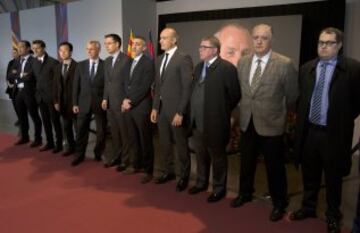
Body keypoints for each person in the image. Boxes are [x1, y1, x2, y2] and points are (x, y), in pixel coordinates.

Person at [291, 27, 360, 233]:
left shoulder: (353, 69)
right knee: (309, 172)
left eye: (329, 43)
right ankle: (308, 207)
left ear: (339, 45)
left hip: (334, 134)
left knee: (333, 176)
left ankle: (332, 214)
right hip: (310, 131)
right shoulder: (306, 68)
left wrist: (342, 119)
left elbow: (357, 102)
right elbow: (301, 99)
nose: (323, 46)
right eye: (321, 42)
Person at [231, 24, 298, 222]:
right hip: (247, 122)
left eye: (264, 38)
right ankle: (244, 193)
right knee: (246, 162)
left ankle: (279, 202)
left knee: (274, 167)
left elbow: (292, 95)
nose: (259, 41)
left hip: (272, 124)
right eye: (256, 37)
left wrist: (280, 115)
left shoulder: (285, 64)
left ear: (271, 40)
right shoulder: (243, 62)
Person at [189, 36, 241, 202]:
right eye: (200, 46)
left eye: (204, 47)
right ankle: (201, 182)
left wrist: (221, 111)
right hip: (197, 122)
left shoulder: (227, 68)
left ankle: (219, 188)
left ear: (215, 50)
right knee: (200, 155)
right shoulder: (198, 68)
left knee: (217, 158)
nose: (200, 49)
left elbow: (235, 95)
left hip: (216, 123)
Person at [150, 27, 193, 192]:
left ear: (174, 40)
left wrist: (181, 111)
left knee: (181, 145)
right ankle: (168, 171)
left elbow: (187, 87)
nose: (160, 41)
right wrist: (154, 108)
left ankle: (184, 176)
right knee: (165, 143)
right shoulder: (159, 59)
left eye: (164, 38)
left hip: (176, 112)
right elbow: (158, 88)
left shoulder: (183, 58)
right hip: (161, 111)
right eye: (160, 38)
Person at [120, 36, 155, 183]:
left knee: (145, 139)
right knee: (133, 137)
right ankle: (136, 164)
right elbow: (124, 83)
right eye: (133, 44)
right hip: (128, 106)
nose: (134, 47)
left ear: (144, 48)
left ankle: (148, 170)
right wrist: (124, 100)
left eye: (138, 44)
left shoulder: (148, 63)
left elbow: (145, 86)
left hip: (141, 106)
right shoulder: (128, 62)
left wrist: (131, 101)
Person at [71, 40, 107, 166]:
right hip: (83, 103)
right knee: (81, 131)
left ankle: (98, 153)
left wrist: (105, 99)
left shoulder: (105, 65)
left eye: (92, 49)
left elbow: (107, 85)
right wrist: (75, 103)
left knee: (102, 132)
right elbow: (76, 86)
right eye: (87, 49)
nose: (89, 51)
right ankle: (79, 155)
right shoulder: (80, 65)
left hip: (100, 104)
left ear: (98, 50)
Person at [102, 33, 132, 168]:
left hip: (121, 104)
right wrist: (104, 98)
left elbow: (128, 84)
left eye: (109, 43)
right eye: (105, 43)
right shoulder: (107, 61)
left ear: (117, 44)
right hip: (110, 104)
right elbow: (107, 83)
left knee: (124, 134)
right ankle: (117, 157)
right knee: (114, 133)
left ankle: (126, 160)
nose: (106, 46)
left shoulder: (127, 60)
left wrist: (126, 101)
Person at [9, 40, 43, 147]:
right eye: (18, 47)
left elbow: (30, 77)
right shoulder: (17, 60)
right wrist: (21, 74)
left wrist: (18, 74)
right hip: (18, 92)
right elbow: (10, 75)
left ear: (28, 48)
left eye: (22, 47)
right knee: (21, 116)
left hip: (30, 93)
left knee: (34, 116)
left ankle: (38, 139)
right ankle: (24, 137)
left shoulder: (34, 61)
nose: (19, 49)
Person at [32, 40, 62, 153]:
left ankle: (59, 144)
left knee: (55, 121)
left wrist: (56, 99)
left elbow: (58, 83)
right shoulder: (34, 62)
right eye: (33, 48)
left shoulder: (53, 62)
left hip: (51, 98)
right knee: (45, 121)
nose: (35, 50)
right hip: (40, 97)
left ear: (44, 48)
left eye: (37, 48)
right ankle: (49, 143)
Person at [53, 42, 78, 156]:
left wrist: (77, 103)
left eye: (65, 50)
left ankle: (80, 150)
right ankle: (71, 147)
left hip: (75, 103)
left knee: (79, 128)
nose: (62, 53)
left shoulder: (78, 66)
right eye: (60, 51)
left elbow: (81, 87)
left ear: (71, 52)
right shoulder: (57, 67)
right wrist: (56, 101)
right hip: (62, 103)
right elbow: (56, 86)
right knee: (66, 127)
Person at [5, 48, 20, 126]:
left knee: (20, 105)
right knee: (14, 104)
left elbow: (21, 76)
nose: (13, 54)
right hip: (11, 88)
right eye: (12, 53)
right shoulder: (10, 62)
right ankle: (19, 119)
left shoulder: (22, 62)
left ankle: (23, 119)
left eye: (15, 52)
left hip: (19, 88)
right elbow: (7, 75)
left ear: (19, 53)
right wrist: (8, 83)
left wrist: (15, 84)